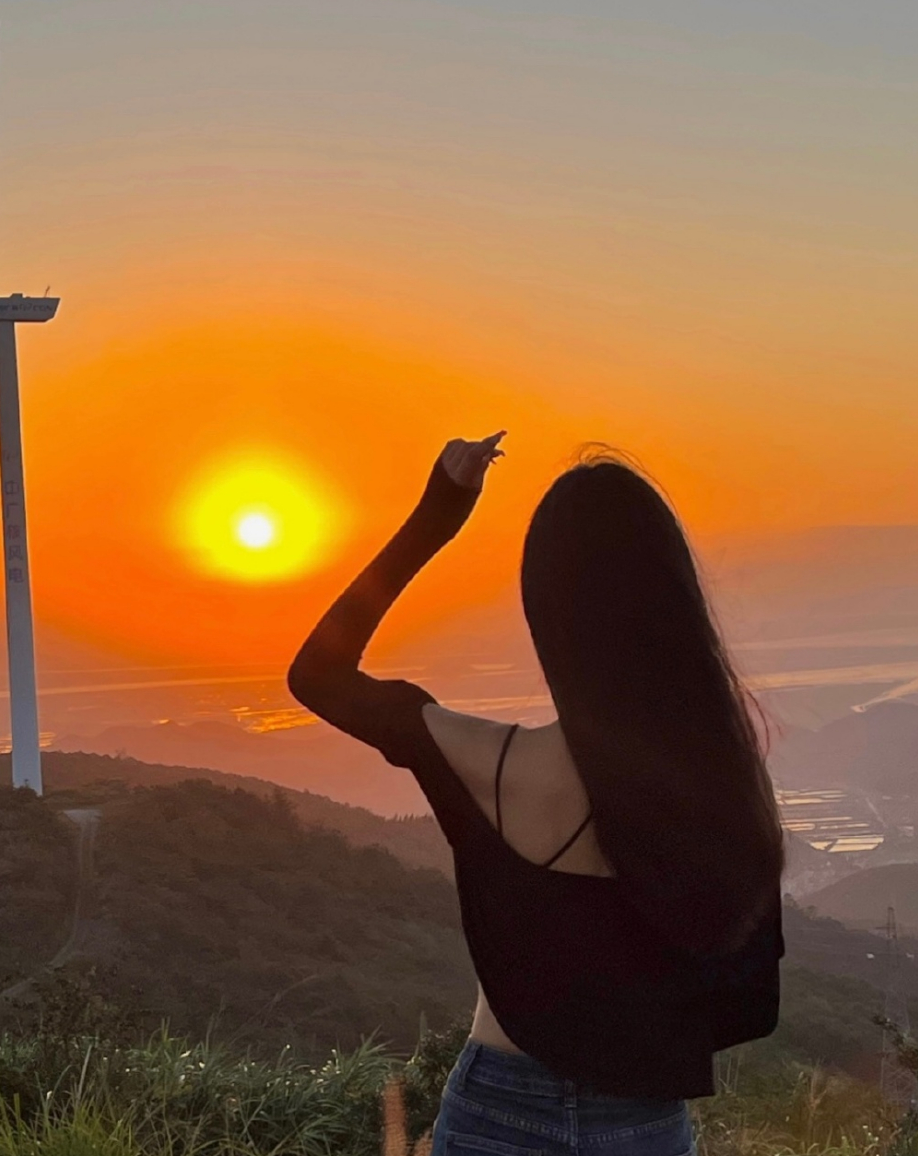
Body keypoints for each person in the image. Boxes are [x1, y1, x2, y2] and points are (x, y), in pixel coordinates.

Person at [288, 433, 785, 1156]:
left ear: (545, 607)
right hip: (642, 1124)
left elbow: (319, 675)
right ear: (670, 598)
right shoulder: (718, 776)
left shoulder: (486, 762)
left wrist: (438, 514)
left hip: (496, 1113)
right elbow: (747, 999)